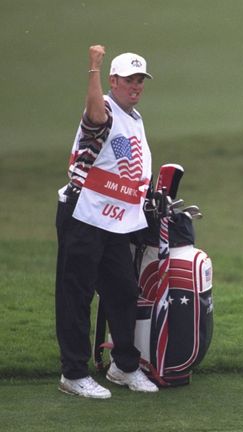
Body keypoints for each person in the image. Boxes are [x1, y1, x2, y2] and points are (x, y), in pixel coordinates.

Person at [55, 45, 159, 398]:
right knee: (76, 294)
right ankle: (73, 374)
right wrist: (93, 69)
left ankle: (124, 367)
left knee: (123, 291)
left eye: (140, 80)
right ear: (113, 80)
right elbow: (95, 115)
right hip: (83, 215)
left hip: (114, 221)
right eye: (129, 79)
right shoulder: (105, 110)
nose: (136, 85)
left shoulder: (134, 117)